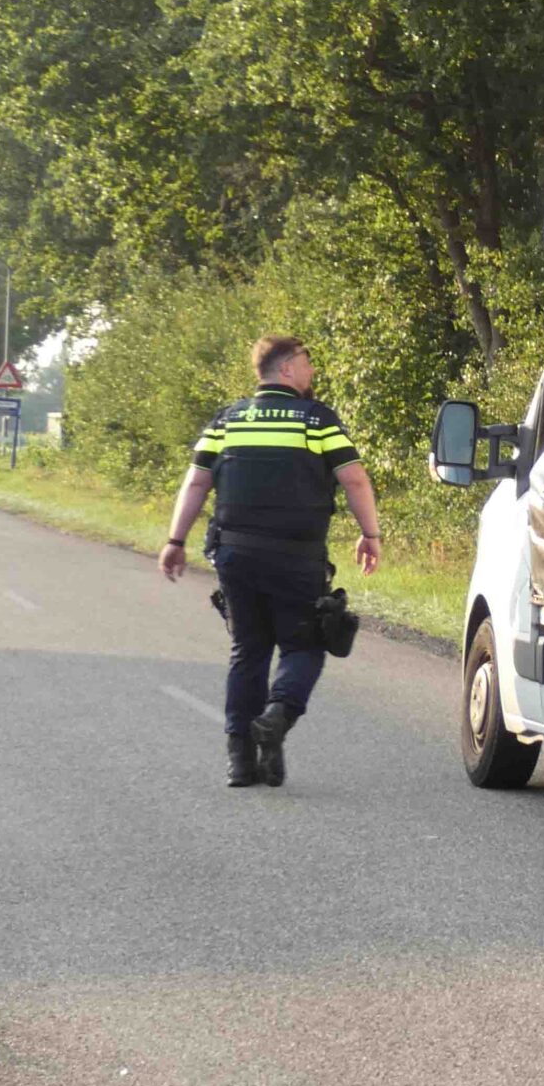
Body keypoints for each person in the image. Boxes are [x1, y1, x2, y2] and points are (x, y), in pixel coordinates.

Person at [158, 335, 382, 788]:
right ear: (286, 368)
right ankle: (277, 716)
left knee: (249, 650)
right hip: (296, 557)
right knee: (304, 647)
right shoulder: (316, 420)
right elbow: (354, 479)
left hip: (235, 555)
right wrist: (370, 534)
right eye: (307, 362)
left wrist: (175, 540)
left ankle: (241, 761)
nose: (312, 371)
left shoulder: (227, 420)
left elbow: (197, 482)